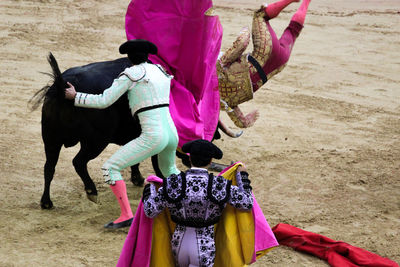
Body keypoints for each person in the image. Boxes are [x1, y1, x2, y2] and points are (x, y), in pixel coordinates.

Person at [64, 39, 180, 229]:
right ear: (147, 56)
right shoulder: (160, 70)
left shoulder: (130, 74)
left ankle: (126, 215)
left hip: (153, 135)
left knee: (110, 168)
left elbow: (104, 101)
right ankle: (191, 204)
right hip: (171, 132)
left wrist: (76, 96)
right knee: (170, 171)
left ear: (129, 58)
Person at [142, 139, 253, 267]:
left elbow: (150, 210)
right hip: (205, 245)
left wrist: (148, 188)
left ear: (189, 159)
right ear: (211, 161)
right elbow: (247, 203)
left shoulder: (173, 183)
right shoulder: (219, 185)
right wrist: (242, 175)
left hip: (179, 244)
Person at [218, 0, 312, 128]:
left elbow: (242, 122)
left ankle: (307, 2)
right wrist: (244, 30)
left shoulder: (223, 103)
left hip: (278, 64)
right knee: (260, 15)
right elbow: (242, 42)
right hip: (265, 51)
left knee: (293, 31)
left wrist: (250, 117)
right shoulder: (218, 67)